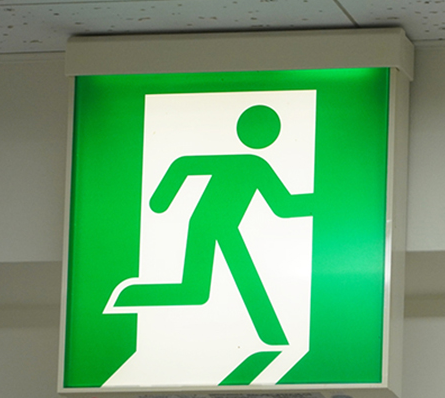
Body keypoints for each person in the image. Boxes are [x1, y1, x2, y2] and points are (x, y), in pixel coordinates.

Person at [114, 104, 313, 346]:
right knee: (206, 286)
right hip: (210, 225)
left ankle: (132, 297)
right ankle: (272, 335)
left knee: (195, 289)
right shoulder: (254, 164)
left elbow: (282, 205)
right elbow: (283, 205)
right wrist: (161, 200)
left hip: (218, 226)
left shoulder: (255, 165)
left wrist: (162, 200)